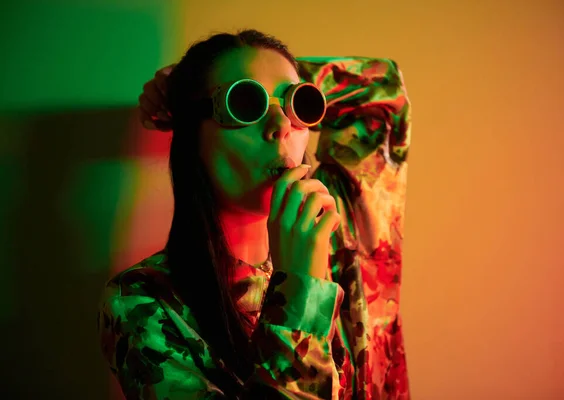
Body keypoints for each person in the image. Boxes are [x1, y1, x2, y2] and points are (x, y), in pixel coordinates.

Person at [98, 29, 411, 399]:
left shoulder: (342, 225)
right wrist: (301, 289)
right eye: (245, 102)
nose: (281, 126)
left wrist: (178, 80)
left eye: (300, 105)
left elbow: (383, 92)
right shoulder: (144, 304)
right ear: (191, 136)